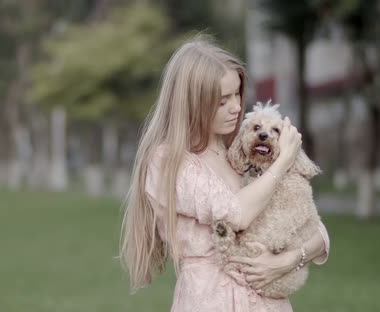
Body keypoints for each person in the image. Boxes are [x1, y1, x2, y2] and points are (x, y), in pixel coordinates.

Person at [120, 36, 330, 311]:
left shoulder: (240, 153)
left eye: (237, 94)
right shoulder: (169, 162)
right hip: (210, 300)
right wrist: (283, 162)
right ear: (192, 103)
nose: (235, 107)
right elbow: (235, 213)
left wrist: (288, 260)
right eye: (222, 101)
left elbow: (316, 230)